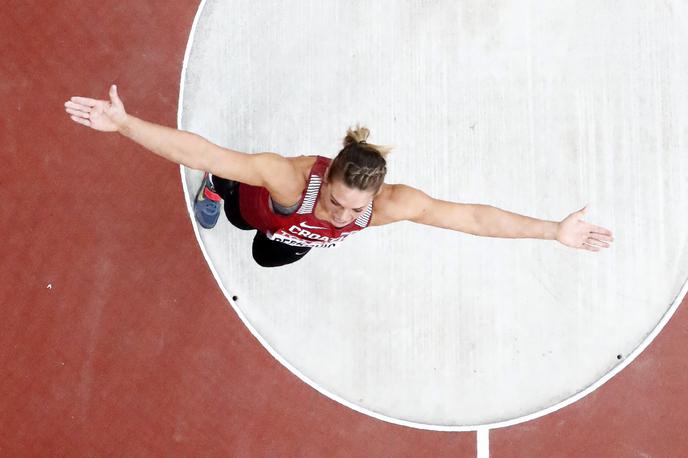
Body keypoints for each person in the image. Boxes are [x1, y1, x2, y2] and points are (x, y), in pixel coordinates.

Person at [64, 85, 615, 267]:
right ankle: (222, 193)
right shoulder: (285, 178)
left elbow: (469, 216)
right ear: (325, 180)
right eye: (336, 203)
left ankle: (277, 233)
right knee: (234, 209)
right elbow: (202, 149)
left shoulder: (386, 204)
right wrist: (128, 125)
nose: (346, 216)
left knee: (266, 256)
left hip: (290, 236)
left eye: (356, 210)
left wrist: (551, 231)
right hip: (262, 206)